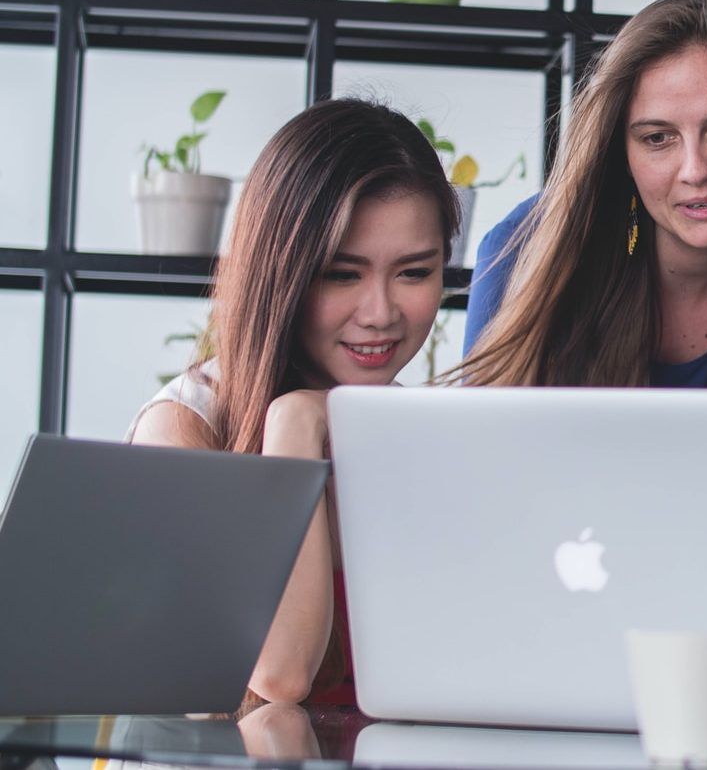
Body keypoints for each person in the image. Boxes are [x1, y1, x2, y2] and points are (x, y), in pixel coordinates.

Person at [127, 99, 459, 705]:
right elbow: (279, 675)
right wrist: (294, 427)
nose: (381, 314)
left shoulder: (417, 434)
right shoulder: (182, 426)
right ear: (281, 272)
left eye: (414, 272)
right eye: (341, 274)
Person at [457, 0, 707, 412]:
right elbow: (485, 461)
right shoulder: (525, 248)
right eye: (657, 138)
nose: (695, 170)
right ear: (623, 152)